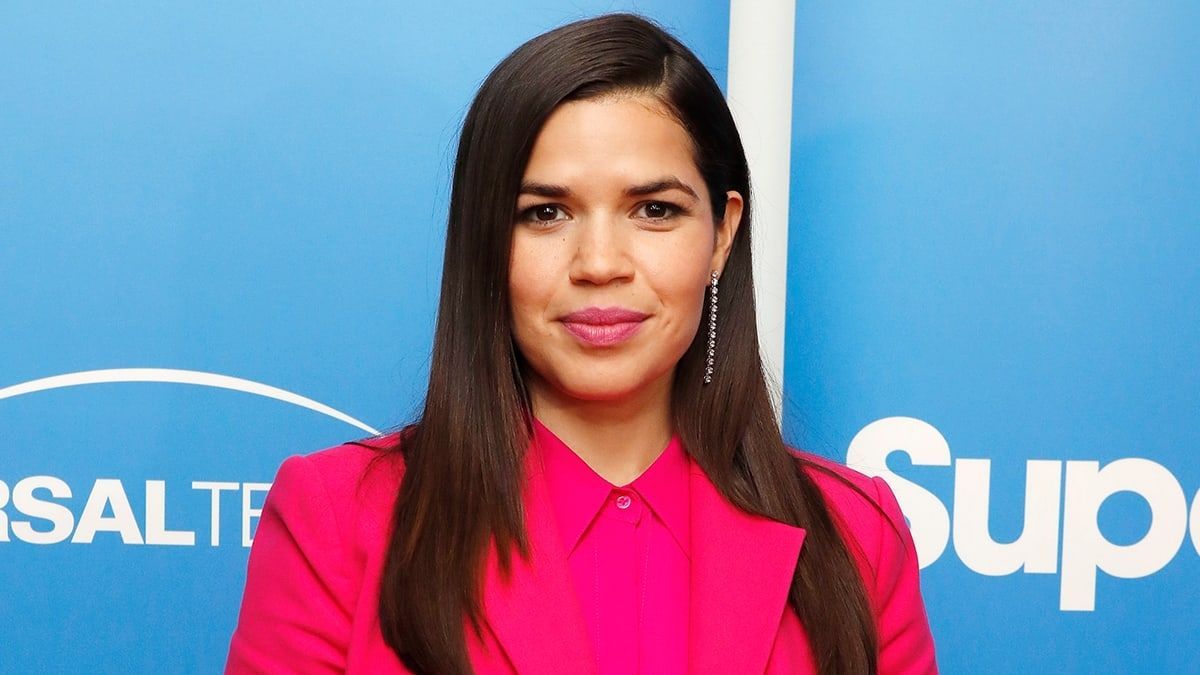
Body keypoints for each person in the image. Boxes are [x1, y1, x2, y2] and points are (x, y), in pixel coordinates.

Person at [225, 11, 938, 675]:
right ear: (486, 239)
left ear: (721, 233)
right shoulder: (335, 521)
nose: (599, 263)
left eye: (653, 209)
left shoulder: (859, 537)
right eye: (546, 213)